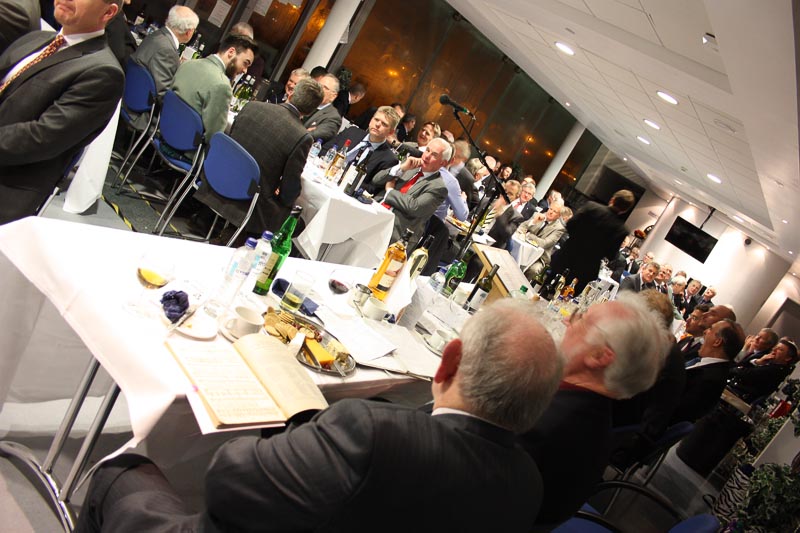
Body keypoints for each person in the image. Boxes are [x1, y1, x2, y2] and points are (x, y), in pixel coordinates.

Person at [75, 299, 565, 532]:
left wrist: (288, 440)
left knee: (119, 471)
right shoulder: (529, 488)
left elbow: (226, 481)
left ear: (449, 361)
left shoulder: (373, 434)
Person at [520, 292, 668, 526]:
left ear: (598, 356)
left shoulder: (544, 422)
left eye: (581, 318)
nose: (567, 321)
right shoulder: (591, 413)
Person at [0, 0, 125, 224]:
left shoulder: (103, 72)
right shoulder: (36, 38)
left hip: (9, 181)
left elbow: (41, 138)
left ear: (108, 12)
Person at [192, 78, 324, 236]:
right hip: (248, 200)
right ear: (311, 111)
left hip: (217, 178)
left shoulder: (252, 106)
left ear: (291, 94)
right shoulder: (302, 136)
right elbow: (289, 191)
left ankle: (214, 224)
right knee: (297, 222)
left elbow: (232, 145)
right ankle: (237, 239)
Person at [611, 290, 687, 467]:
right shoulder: (665, 345)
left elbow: (616, 384)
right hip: (634, 422)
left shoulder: (659, 354)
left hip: (627, 436)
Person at [549, 190, 635, 293]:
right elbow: (611, 255)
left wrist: (577, 239)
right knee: (567, 296)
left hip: (566, 255)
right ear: (625, 210)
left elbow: (570, 225)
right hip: (586, 268)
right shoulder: (621, 230)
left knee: (547, 286)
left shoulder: (591, 207)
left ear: (612, 199)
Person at [172, 33, 256, 137]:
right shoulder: (222, 86)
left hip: (162, 132)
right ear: (231, 52)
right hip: (185, 143)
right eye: (245, 63)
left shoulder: (187, 64)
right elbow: (214, 136)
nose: (245, 71)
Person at [372, 137, 450, 242]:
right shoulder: (410, 164)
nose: (427, 156)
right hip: (373, 212)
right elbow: (376, 180)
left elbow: (414, 207)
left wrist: (390, 191)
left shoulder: (439, 188)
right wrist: (401, 168)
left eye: (434, 155)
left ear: (443, 163)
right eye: (427, 150)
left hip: (395, 232)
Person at [671, 317, 745, 423]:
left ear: (717, 342)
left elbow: (676, 410)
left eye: (710, 329)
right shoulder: (710, 367)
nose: (705, 331)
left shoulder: (711, 379)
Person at [321, 105, 402, 191]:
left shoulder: (389, 159)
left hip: (343, 189)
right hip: (323, 173)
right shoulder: (352, 131)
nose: (378, 124)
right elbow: (324, 149)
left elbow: (372, 188)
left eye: (384, 124)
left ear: (391, 132)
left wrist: (346, 177)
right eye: (376, 119)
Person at [130, 5, 198, 99]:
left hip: (131, 92)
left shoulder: (158, 34)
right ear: (189, 32)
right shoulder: (168, 51)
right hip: (141, 102)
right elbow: (162, 94)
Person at [729, 338, 798, 403]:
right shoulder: (767, 361)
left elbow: (745, 373)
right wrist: (758, 362)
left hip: (739, 396)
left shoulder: (776, 370)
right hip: (733, 387)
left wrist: (738, 369)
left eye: (780, 349)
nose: (774, 350)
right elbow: (740, 365)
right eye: (775, 347)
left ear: (787, 358)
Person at [517, 202, 566, 279]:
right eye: (551, 209)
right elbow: (521, 226)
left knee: (534, 270)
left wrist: (528, 234)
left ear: (559, 216)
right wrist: (533, 222)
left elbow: (544, 243)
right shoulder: (537, 215)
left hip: (539, 257)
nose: (551, 212)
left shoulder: (559, 228)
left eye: (555, 211)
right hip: (523, 248)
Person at [302, 72, 342, 143]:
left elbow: (310, 137)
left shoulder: (333, 118)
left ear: (333, 96)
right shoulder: (304, 101)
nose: (319, 89)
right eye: (319, 85)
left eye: (325, 88)